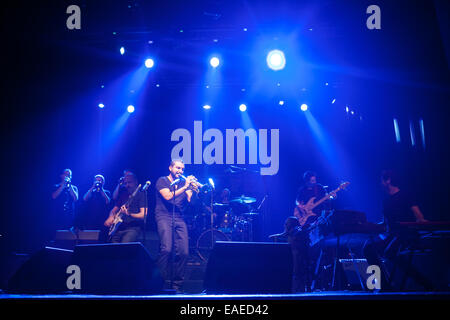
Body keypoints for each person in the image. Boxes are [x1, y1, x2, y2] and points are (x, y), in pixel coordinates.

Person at [363, 169, 430, 290]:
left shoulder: (405, 195)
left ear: (388, 180)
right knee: (368, 248)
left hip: (407, 234)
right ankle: (384, 284)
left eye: (381, 180)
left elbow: (418, 216)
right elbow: (384, 224)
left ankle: (425, 283)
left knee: (390, 252)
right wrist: (367, 225)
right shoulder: (386, 201)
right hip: (393, 236)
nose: (380, 183)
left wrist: (422, 222)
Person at [154, 159, 196, 292]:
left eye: (182, 169)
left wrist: (193, 190)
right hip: (163, 216)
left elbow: (190, 201)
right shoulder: (162, 181)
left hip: (179, 217)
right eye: (178, 168)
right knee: (166, 249)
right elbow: (167, 196)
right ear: (170, 168)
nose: (180, 171)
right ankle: (159, 283)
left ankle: (177, 286)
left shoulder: (184, 183)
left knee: (184, 252)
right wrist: (185, 187)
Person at [104, 173, 146, 243]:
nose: (127, 185)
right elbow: (114, 210)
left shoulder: (141, 195)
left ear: (136, 182)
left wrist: (129, 214)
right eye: (125, 183)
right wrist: (111, 217)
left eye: (129, 182)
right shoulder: (123, 195)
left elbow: (143, 215)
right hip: (119, 228)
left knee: (125, 245)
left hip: (133, 228)